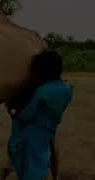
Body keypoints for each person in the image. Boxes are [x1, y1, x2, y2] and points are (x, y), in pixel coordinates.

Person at [6, 50, 73, 180]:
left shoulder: (42, 90)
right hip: (49, 131)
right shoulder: (68, 88)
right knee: (39, 161)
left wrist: (14, 112)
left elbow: (27, 116)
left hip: (33, 132)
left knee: (26, 160)